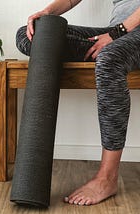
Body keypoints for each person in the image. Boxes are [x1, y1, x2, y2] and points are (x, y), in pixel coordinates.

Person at [16, 0, 140, 206]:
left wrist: (116, 34)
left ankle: (107, 178)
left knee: (109, 59)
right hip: (119, 34)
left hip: (122, 34)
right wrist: (47, 14)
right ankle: (29, 180)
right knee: (35, 34)